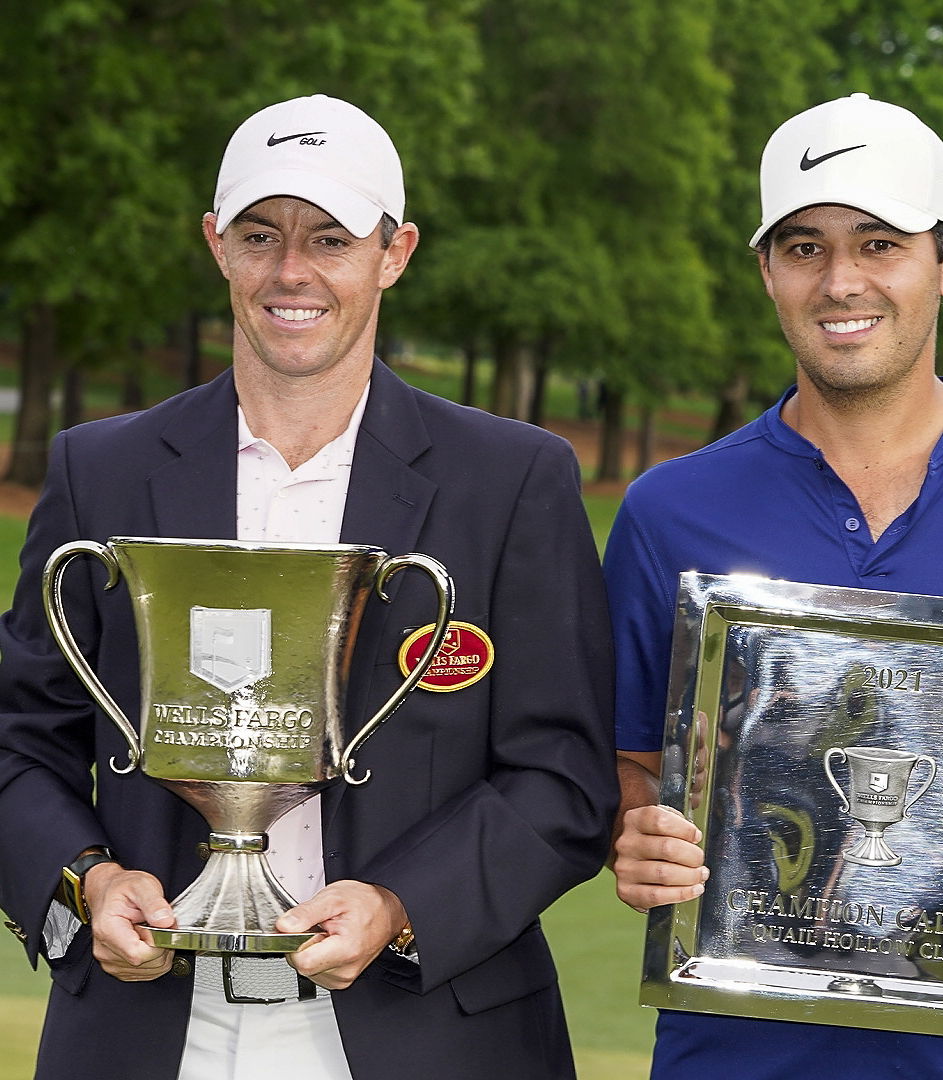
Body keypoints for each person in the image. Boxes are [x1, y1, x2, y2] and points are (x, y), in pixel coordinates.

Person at [0, 93, 618, 1080]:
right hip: (150, 1030)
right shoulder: (100, 474)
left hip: (427, 1032)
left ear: (395, 251)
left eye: (331, 238)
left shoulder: (511, 482)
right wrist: (85, 881)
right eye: (261, 234)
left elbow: (566, 782)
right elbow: (16, 741)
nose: (293, 270)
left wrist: (401, 903)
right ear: (217, 245)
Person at [605, 91, 943, 1079]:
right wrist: (635, 830)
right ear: (769, 272)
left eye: (878, 243)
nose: (840, 281)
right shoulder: (670, 511)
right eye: (804, 247)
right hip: (726, 1055)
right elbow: (628, 762)